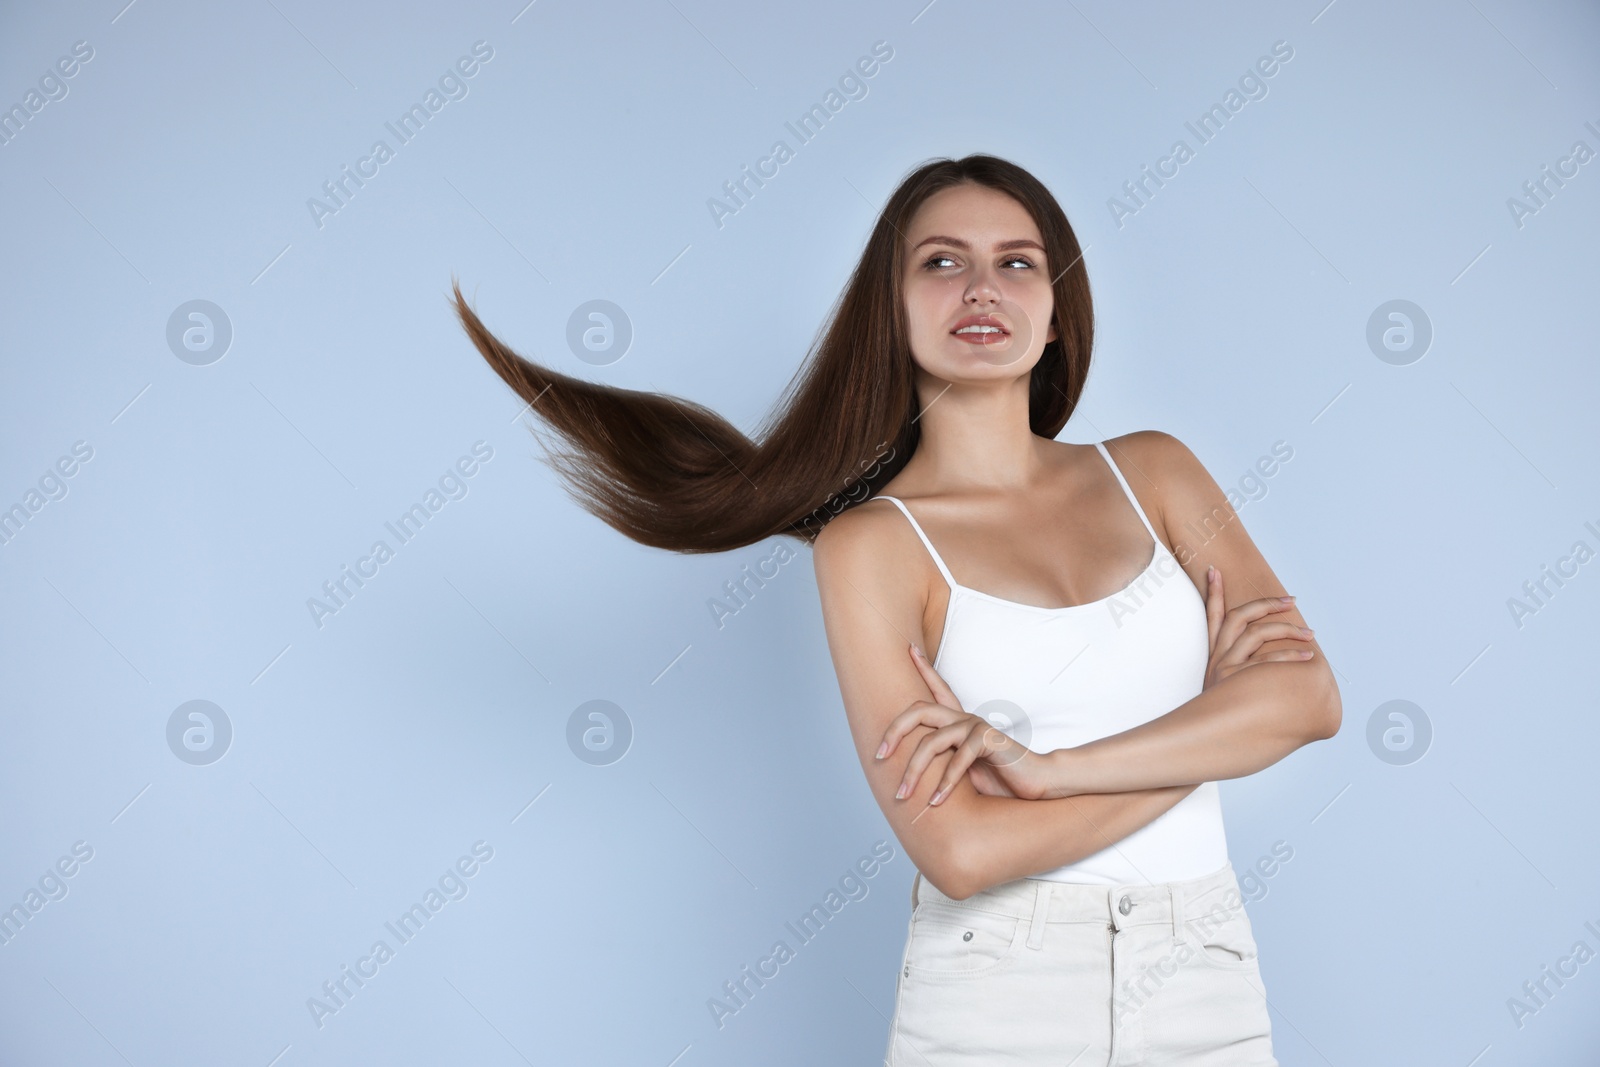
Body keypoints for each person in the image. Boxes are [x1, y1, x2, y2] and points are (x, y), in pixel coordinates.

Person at [451, 153, 1341, 1065]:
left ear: (1058, 314)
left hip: (1205, 971)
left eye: (1018, 262)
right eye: (942, 262)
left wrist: (1051, 772)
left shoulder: (1156, 471)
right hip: (1000, 989)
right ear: (894, 308)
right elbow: (959, 851)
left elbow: (1313, 701)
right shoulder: (872, 546)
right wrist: (1222, 731)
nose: (982, 288)